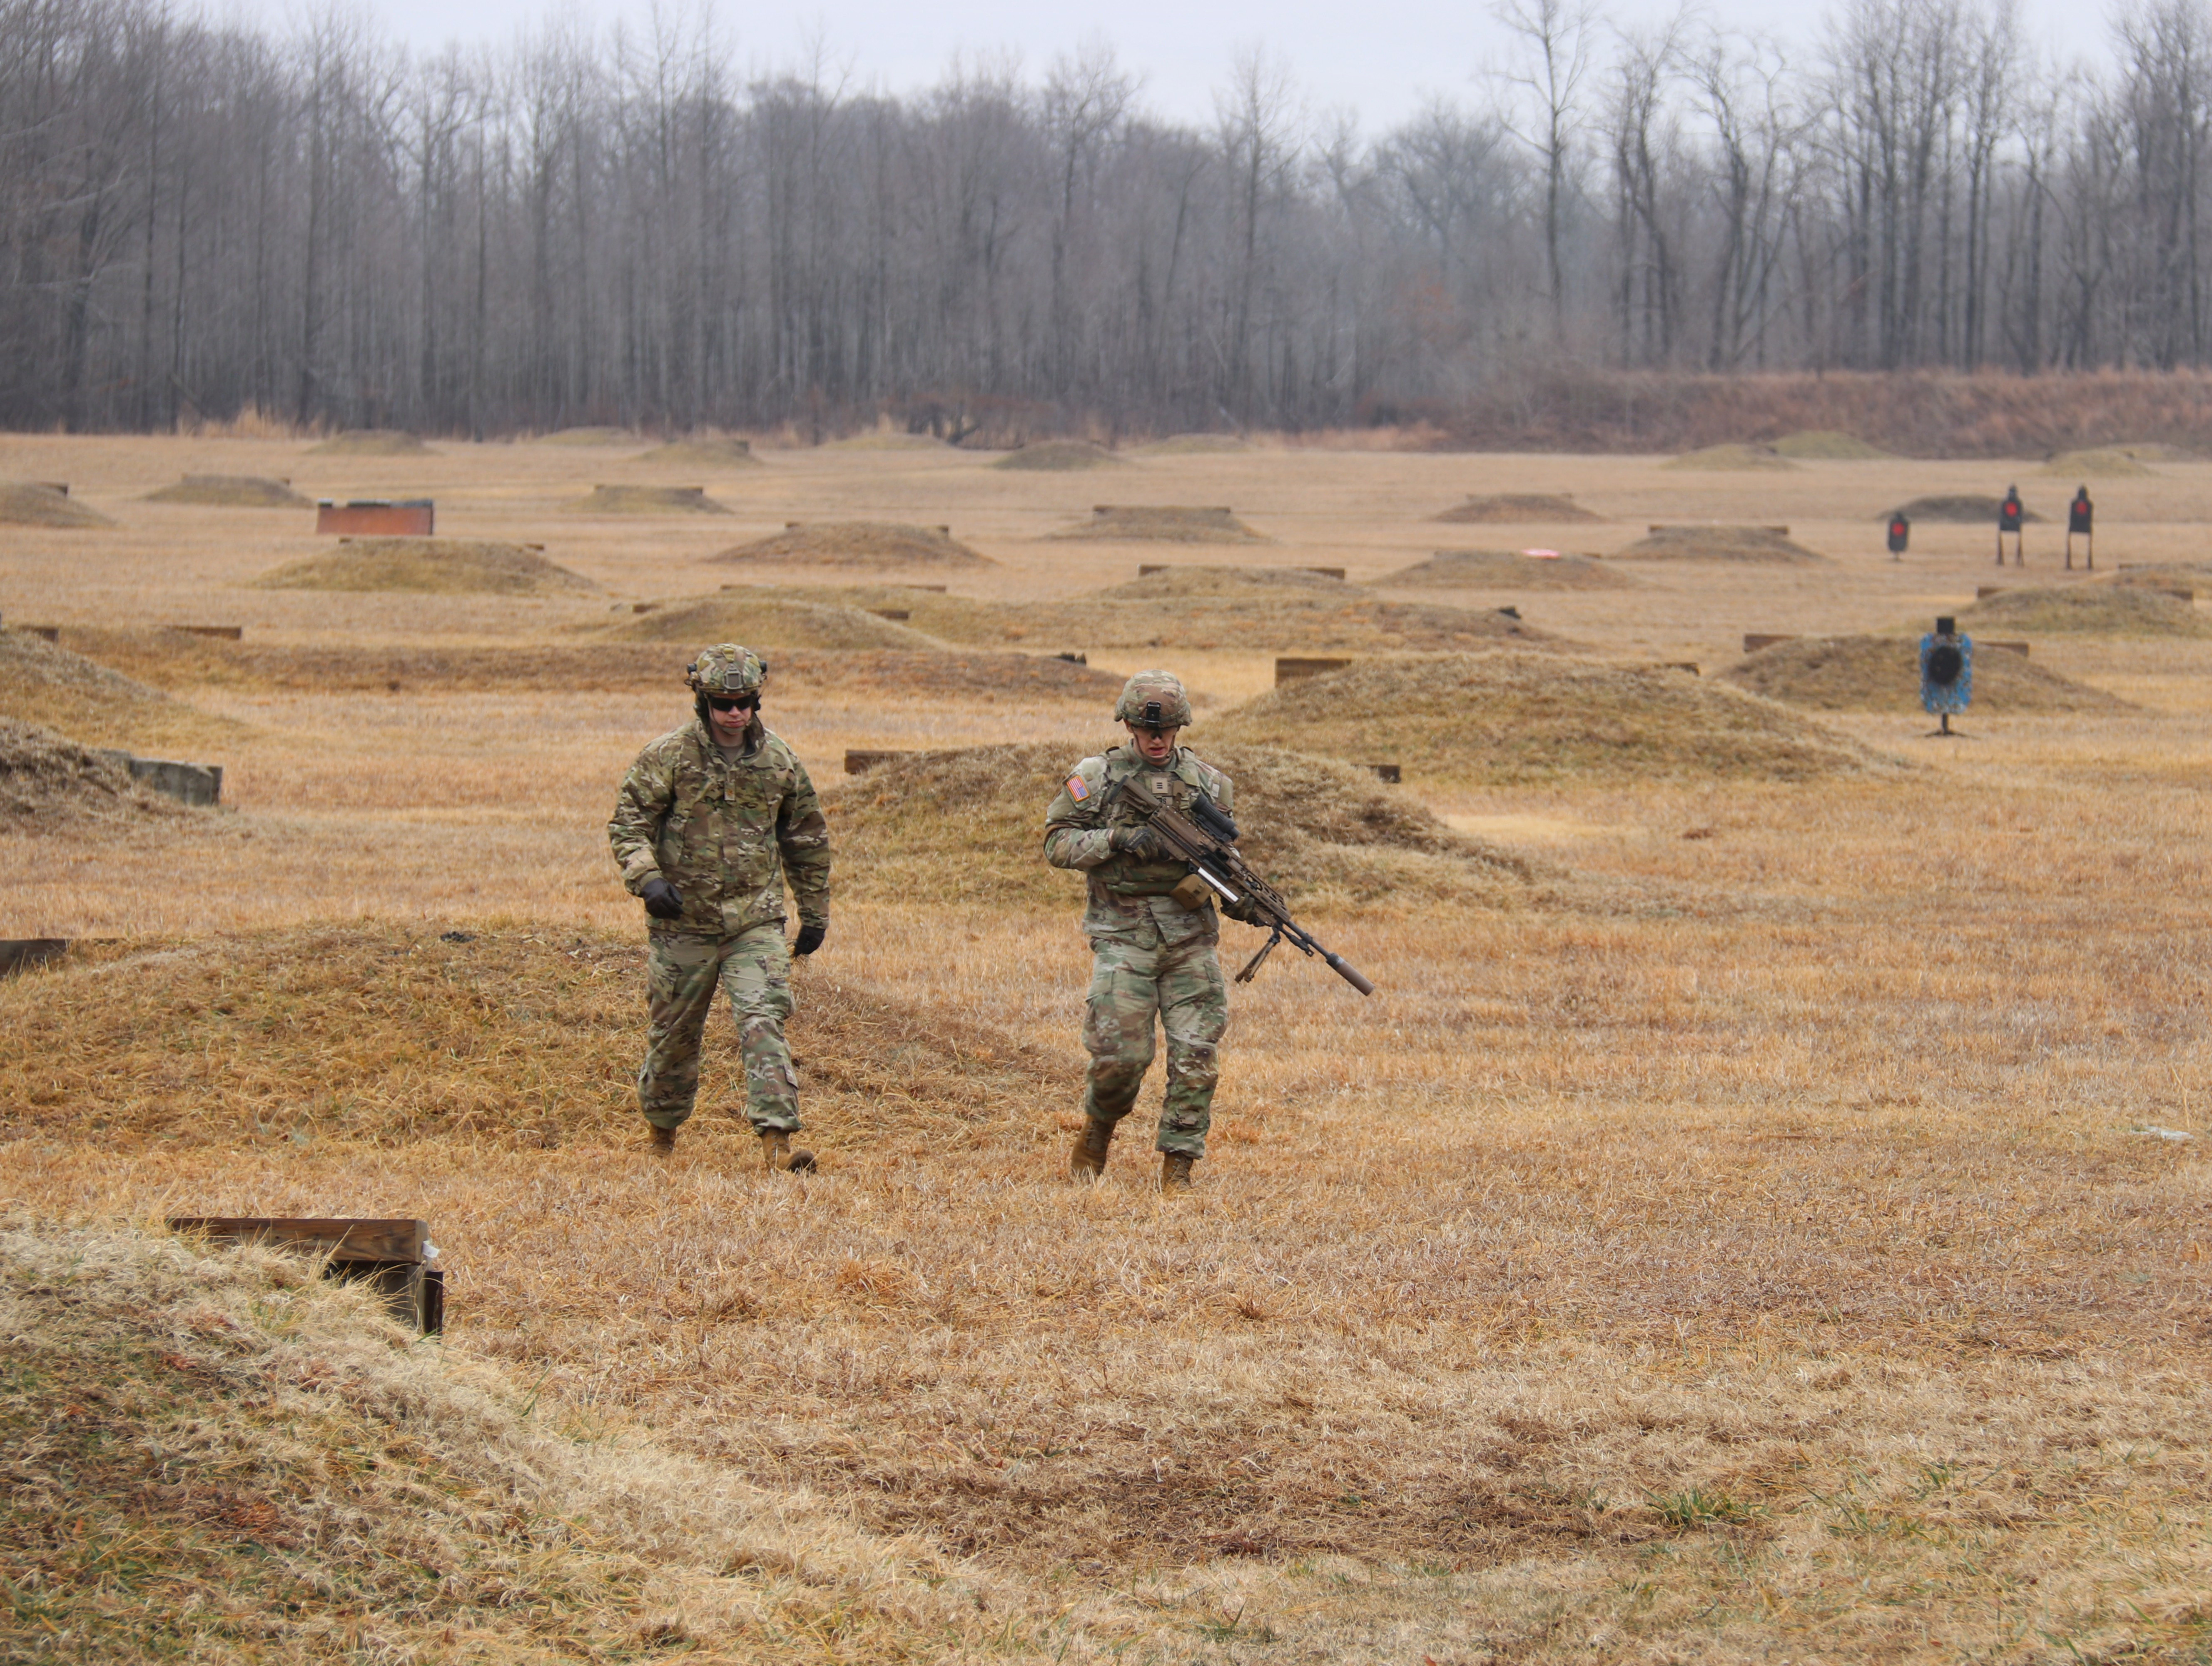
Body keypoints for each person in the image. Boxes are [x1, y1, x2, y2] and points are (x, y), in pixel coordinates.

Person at [608, 643, 831, 1170]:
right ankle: (661, 1134)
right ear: (702, 702)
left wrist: (815, 912)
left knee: (763, 1020)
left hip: (754, 920)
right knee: (674, 1035)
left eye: (744, 702)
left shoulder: (779, 760)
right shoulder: (667, 756)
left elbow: (806, 838)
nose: (734, 713)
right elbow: (628, 823)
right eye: (721, 703)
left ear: (757, 700)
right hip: (682, 923)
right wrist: (648, 879)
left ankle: (777, 1142)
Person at [1043, 670, 1242, 1194]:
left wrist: (1239, 896)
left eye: (1166, 729)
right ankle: (1097, 1130)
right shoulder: (1097, 777)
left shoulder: (1209, 784)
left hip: (1189, 940)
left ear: (1180, 727)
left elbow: (1223, 858)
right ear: (1127, 724)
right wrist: (1120, 840)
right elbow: (1057, 844)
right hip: (1123, 937)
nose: (1156, 739)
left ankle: (1178, 1167)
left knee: (1197, 1056)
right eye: (1144, 727)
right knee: (1121, 1057)